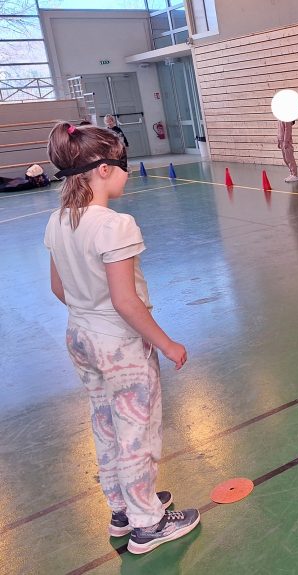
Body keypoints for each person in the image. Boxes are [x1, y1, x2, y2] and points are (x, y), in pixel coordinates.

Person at [43, 122, 200, 555]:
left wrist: (88, 313)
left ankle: (123, 508)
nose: (128, 173)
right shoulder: (115, 225)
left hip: (79, 335)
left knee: (105, 421)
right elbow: (125, 302)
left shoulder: (58, 220)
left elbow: (58, 288)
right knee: (137, 429)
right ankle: (148, 523)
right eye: (124, 164)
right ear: (104, 169)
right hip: (119, 344)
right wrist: (166, 343)